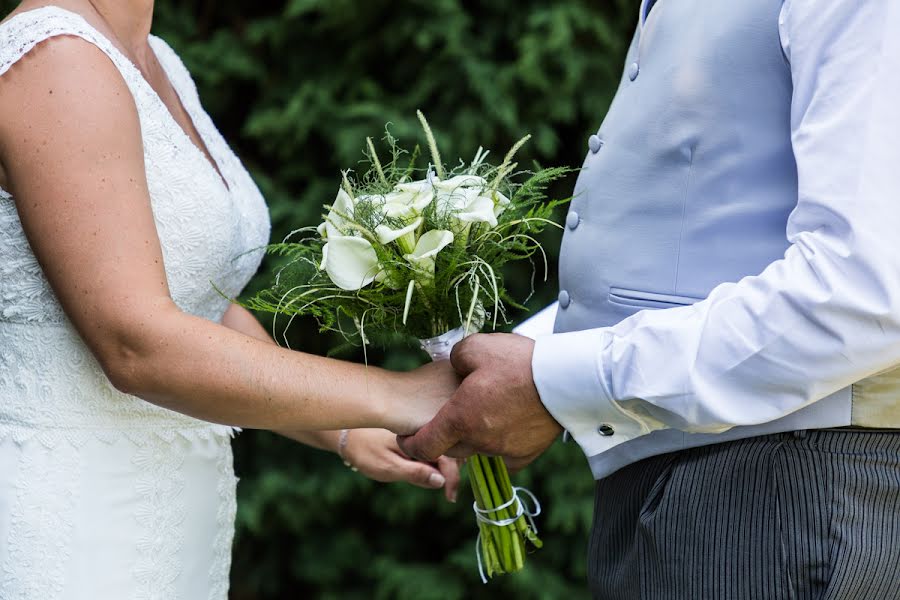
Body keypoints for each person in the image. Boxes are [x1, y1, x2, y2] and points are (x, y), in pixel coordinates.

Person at [400, 0, 900, 598]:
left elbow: (865, 290)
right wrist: (506, 373)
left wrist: (556, 382)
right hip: (694, 492)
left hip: (787, 496)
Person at [0, 1, 460, 596]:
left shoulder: (154, 57)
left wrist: (345, 428)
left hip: (178, 521)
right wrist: (401, 395)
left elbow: (197, 304)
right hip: (77, 522)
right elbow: (136, 344)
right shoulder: (54, 59)